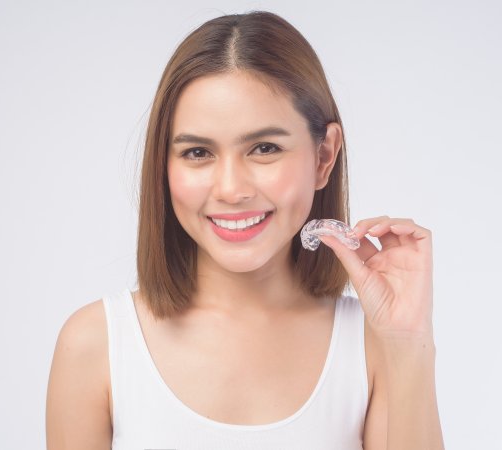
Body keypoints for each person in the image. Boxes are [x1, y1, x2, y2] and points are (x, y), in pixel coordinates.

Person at [46, 10, 444, 450]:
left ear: (323, 157)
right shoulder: (95, 345)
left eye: (265, 148)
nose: (231, 189)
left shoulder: (371, 346)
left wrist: (408, 345)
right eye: (198, 152)